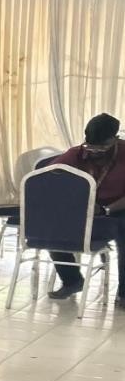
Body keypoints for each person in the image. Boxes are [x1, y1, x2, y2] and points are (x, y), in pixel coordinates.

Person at [48, 113, 125, 305]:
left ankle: (124, 294)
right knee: (52, 227)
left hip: (118, 208)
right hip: (85, 208)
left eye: (102, 147)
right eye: (91, 146)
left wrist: (107, 210)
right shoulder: (75, 154)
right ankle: (72, 281)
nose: (95, 152)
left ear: (115, 139)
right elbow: (47, 179)